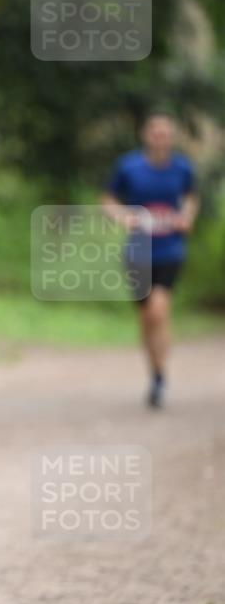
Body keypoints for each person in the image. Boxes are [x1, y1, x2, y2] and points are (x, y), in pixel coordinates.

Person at [102, 112, 198, 408]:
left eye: (165, 133)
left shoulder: (182, 168)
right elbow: (108, 200)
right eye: (155, 132)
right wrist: (124, 217)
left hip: (170, 250)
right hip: (138, 252)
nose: (160, 137)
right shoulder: (129, 167)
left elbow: (192, 197)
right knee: (146, 318)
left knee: (159, 310)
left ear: (171, 138)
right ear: (146, 135)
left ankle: (160, 375)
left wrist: (186, 218)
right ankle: (154, 372)